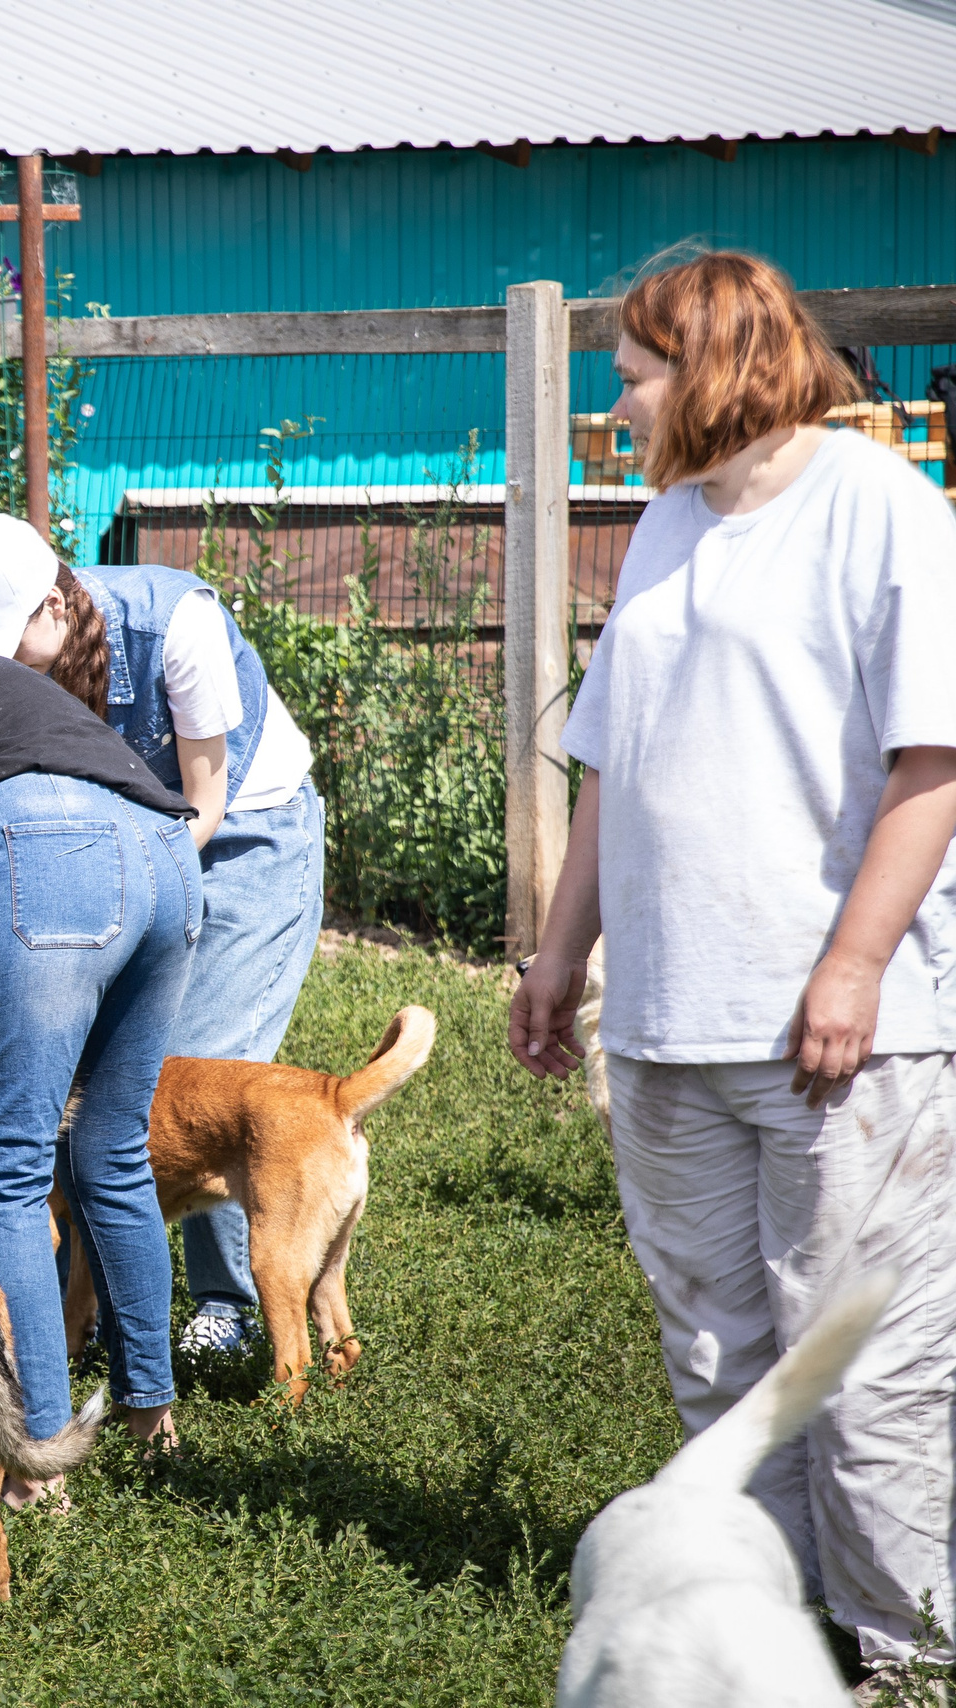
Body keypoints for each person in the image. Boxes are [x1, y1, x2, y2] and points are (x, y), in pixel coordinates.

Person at [509, 251, 956, 1676]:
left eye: (633, 375)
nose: (617, 402)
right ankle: (775, 1636)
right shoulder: (667, 523)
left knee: (867, 1359)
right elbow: (614, 766)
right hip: (665, 1014)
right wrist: (560, 949)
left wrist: (853, 964)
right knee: (720, 1360)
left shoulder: (883, 508)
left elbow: (935, 759)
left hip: (842, 1022)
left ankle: (909, 1651)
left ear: (711, 369)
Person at [0, 538, 323, 1355]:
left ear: (53, 608)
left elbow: (205, 803)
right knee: (102, 1080)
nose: (1, 669)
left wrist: (111, 911)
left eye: (10, 645)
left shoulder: (175, 624)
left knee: (195, 1062)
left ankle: (224, 1308)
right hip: (119, 841)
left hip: (239, 829)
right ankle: (85, 1307)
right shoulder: (14, 651)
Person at [0, 514, 202, 1505]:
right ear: (37, 603)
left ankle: (36, 1461)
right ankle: (149, 1414)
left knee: (4, 1170)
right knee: (112, 1150)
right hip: (166, 850)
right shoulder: (37, 696)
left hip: (49, 852)